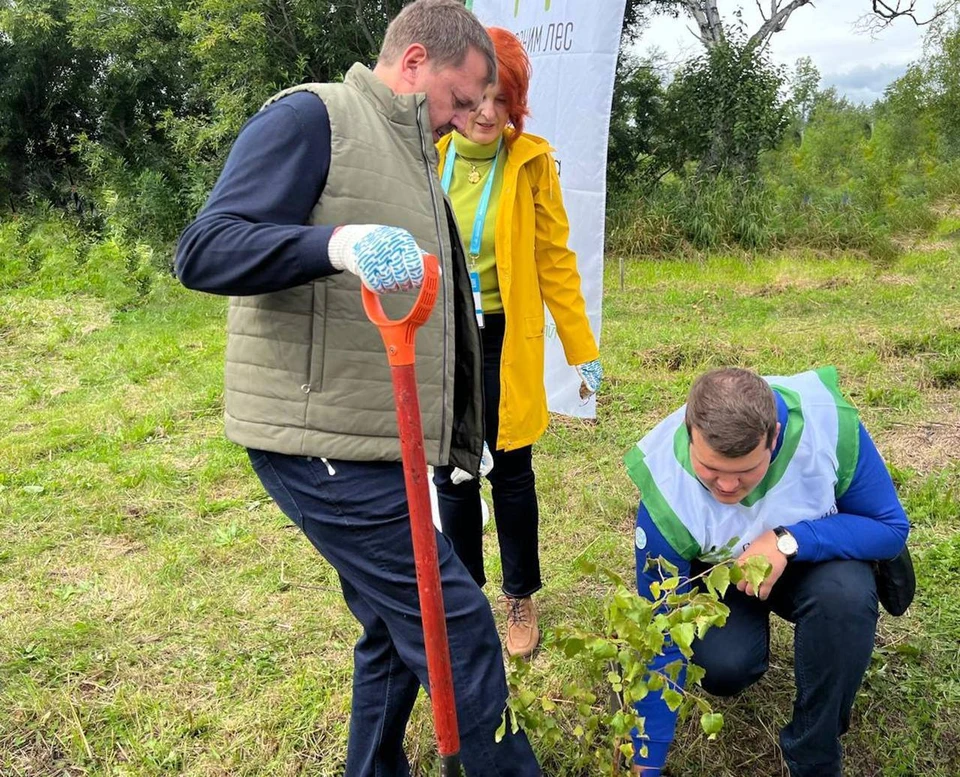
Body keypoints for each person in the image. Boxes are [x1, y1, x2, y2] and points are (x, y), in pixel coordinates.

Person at [174, 2, 541, 774]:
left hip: (373, 437)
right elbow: (205, 248)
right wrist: (335, 243)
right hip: (318, 444)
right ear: (414, 63)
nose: (474, 114)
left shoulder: (412, 152)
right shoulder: (315, 118)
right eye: (464, 95)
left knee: (389, 625)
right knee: (454, 625)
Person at [624, 367, 911, 777]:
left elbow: (890, 527)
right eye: (710, 469)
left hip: (813, 559)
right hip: (724, 574)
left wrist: (787, 541)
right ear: (690, 433)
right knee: (724, 667)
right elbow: (659, 631)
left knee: (844, 598)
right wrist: (646, 764)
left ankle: (813, 752)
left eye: (744, 471)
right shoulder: (665, 488)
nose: (726, 486)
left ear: (773, 436)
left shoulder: (826, 423)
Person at [433, 27, 602, 659]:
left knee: (511, 470)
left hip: (506, 338)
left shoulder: (530, 163)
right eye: (473, 97)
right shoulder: (428, 155)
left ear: (515, 104)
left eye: (499, 100)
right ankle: (464, 596)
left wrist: (581, 346)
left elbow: (555, 259)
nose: (484, 112)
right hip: (442, 334)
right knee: (450, 468)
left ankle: (521, 595)